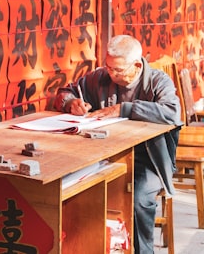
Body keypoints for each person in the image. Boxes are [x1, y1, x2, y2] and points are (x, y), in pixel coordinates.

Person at [53, 35, 181, 254]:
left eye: (118, 70)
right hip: (103, 155)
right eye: (108, 67)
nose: (111, 74)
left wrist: (125, 109)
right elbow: (66, 91)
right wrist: (70, 103)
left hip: (148, 159)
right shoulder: (100, 78)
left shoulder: (158, 82)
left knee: (139, 197)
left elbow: (171, 112)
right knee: (73, 189)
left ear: (138, 65)